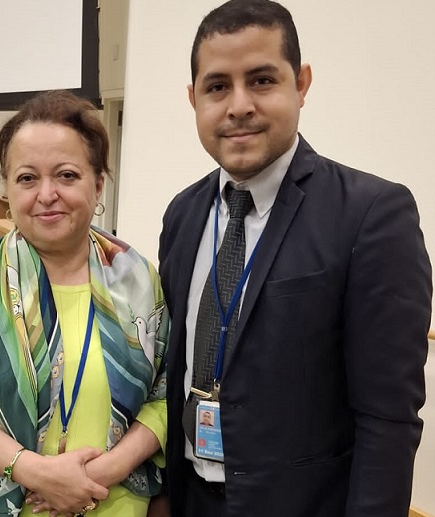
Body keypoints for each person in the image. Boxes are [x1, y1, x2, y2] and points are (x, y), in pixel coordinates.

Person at [158, 1, 432, 516]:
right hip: (192, 498)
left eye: (261, 80)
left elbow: (388, 419)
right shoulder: (184, 213)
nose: (238, 105)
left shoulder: (372, 214)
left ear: (301, 84)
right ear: (193, 98)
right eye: (217, 87)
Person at [0, 90, 169, 517]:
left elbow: (163, 396)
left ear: (99, 183)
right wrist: (36, 472)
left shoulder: (138, 279)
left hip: (111, 502)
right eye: (27, 178)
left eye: (67, 176)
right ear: (9, 188)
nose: (46, 194)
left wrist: (106, 470)